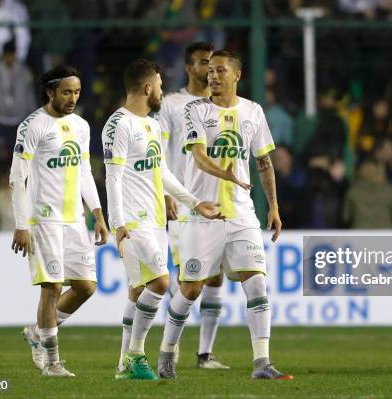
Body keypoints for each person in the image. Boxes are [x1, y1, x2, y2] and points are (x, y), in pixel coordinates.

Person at [156, 50, 293, 380]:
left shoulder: (253, 111)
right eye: (210, 70)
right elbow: (200, 157)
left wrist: (273, 206)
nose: (213, 75)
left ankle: (262, 362)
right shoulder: (195, 110)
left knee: (257, 284)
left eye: (220, 70)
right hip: (202, 213)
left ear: (236, 75)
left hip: (242, 214)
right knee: (190, 290)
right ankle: (167, 352)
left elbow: (263, 162)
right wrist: (225, 174)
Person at [104, 59, 223, 380]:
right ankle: (135, 355)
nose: (160, 91)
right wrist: (118, 224)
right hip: (132, 220)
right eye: (157, 85)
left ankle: (123, 365)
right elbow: (112, 178)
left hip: (156, 220)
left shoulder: (152, 125)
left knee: (136, 289)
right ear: (147, 88)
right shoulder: (119, 124)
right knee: (160, 283)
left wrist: (195, 203)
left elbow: (163, 172)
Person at [9, 65, 109, 377]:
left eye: (77, 92)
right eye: (67, 92)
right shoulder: (33, 126)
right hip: (45, 221)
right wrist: (22, 224)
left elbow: (84, 173)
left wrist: (98, 213)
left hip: (75, 220)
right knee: (51, 288)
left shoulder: (80, 126)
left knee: (86, 287)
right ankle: (51, 362)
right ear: (50, 92)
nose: (73, 98)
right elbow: (17, 177)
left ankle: (39, 332)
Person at [158, 41, 230, 369]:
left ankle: (205, 354)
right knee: (190, 282)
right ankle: (167, 350)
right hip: (185, 205)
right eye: (204, 63)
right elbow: (157, 151)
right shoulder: (172, 104)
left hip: (219, 202)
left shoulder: (225, 106)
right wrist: (166, 193)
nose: (210, 69)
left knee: (215, 279)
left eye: (215, 63)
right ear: (189, 69)